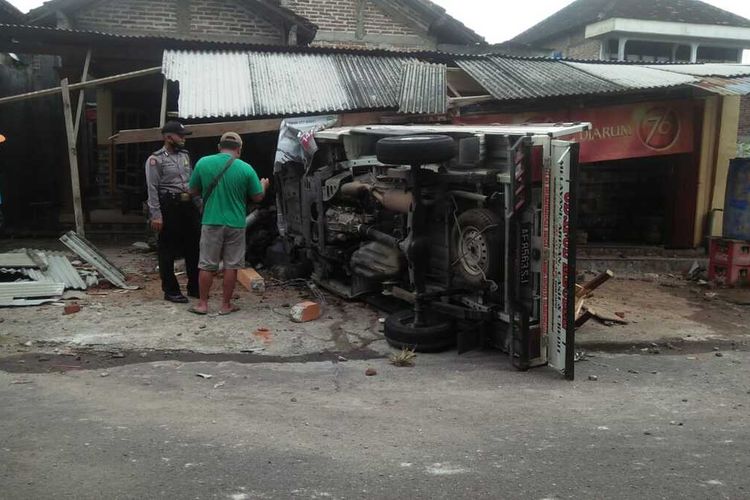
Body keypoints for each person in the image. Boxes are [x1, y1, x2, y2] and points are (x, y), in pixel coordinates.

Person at [188, 132, 269, 315]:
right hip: (236, 224)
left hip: (211, 221)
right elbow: (257, 197)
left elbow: (192, 190)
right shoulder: (246, 168)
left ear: (219, 146)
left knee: (207, 264)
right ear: (239, 149)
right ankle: (225, 305)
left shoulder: (203, 163)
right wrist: (263, 185)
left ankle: (202, 304)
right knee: (231, 265)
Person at [145, 121, 201, 304]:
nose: (183, 139)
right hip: (169, 206)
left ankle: (195, 286)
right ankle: (171, 290)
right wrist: (156, 215)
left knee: (194, 247)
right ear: (168, 137)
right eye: (181, 135)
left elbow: (191, 182)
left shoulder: (184, 155)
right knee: (167, 250)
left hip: (188, 205)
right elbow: (152, 189)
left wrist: (199, 205)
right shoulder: (155, 160)